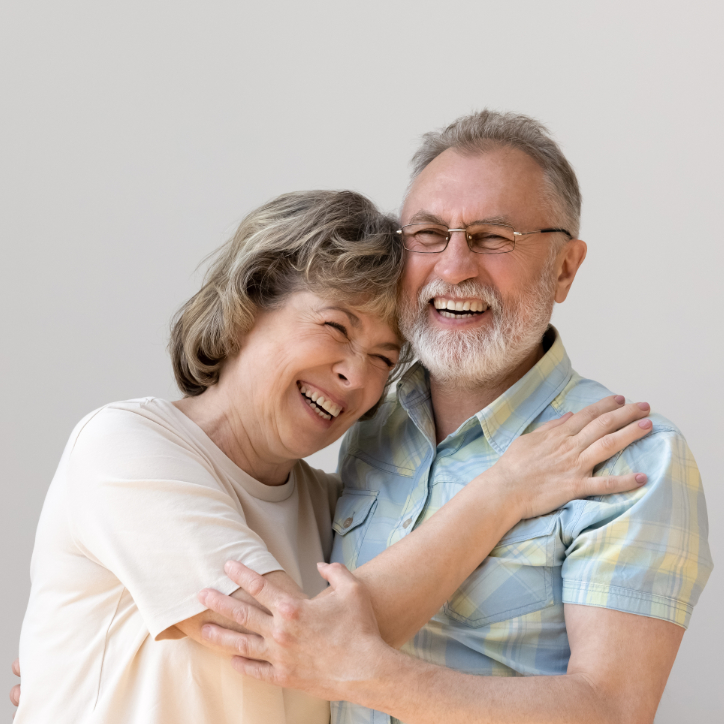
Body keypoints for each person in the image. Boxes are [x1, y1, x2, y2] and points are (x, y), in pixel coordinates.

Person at [10, 188, 654, 724]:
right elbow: (307, 640)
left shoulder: (330, 508)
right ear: (251, 303)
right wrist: (507, 486)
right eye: (335, 328)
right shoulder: (127, 445)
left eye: (383, 359)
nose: (355, 376)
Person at [195, 111, 714, 724]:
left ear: (566, 268)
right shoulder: (368, 421)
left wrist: (366, 673)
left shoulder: (632, 454)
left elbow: (612, 710)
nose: (454, 266)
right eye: (429, 234)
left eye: (494, 238)